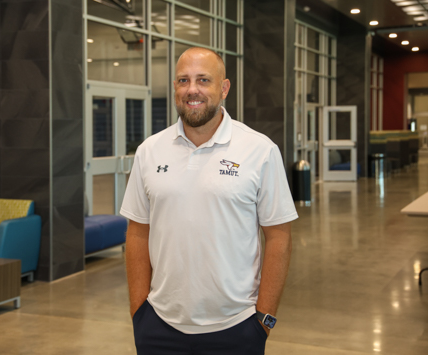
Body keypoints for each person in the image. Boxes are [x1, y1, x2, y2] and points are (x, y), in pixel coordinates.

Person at [120, 47, 298, 355]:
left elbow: (279, 237)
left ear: (224, 88)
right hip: (159, 327)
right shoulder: (149, 152)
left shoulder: (259, 151)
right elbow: (137, 232)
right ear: (175, 87)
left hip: (237, 328)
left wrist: (263, 320)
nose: (192, 90)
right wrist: (139, 312)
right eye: (183, 80)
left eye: (203, 80)